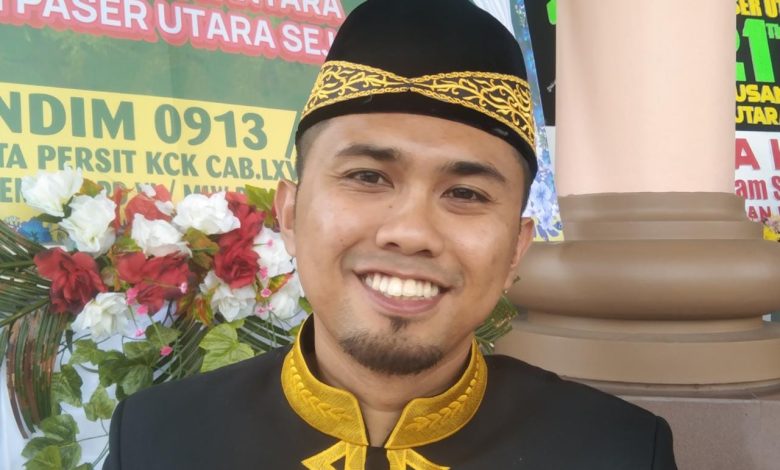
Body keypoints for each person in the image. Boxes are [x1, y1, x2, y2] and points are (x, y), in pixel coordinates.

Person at [102, 0, 677, 468]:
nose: (410, 232)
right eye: (368, 177)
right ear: (290, 214)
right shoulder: (161, 439)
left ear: (515, 250)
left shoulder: (617, 451)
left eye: (466, 194)